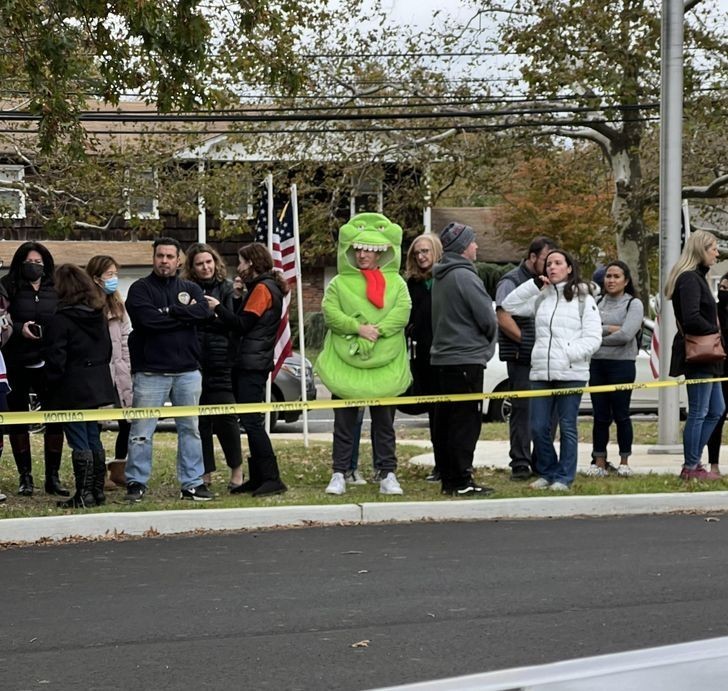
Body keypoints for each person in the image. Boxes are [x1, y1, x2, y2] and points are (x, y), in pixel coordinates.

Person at [316, 212, 411, 496]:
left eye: (368, 250)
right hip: (346, 364)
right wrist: (357, 327)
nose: (362, 255)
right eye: (358, 249)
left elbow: (402, 311)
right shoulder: (339, 283)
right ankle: (339, 473)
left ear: (380, 253)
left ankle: (387, 473)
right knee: (344, 423)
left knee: (384, 423)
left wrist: (376, 331)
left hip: (385, 365)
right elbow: (330, 312)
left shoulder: (396, 284)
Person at [503, 249, 602, 491]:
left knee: (567, 426)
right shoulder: (541, 297)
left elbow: (593, 338)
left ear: (569, 268)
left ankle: (564, 477)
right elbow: (508, 305)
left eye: (558, 263)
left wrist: (568, 353)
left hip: (571, 373)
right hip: (540, 373)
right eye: (548, 264)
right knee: (538, 426)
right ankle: (547, 472)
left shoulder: (584, 300)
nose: (552, 267)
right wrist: (533, 285)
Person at [124, 237, 214, 502]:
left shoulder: (190, 287)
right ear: (154, 258)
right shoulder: (140, 289)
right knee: (142, 431)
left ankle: (193, 484)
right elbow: (147, 322)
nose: (164, 261)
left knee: (191, 430)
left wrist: (171, 312)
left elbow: (205, 314)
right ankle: (136, 482)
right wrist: (182, 317)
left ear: (179, 261)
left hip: (187, 371)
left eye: (169, 257)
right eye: (159, 256)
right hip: (151, 372)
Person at [206, 242, 288, 497]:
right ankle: (258, 477)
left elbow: (242, 325)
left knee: (252, 421)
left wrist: (217, 307)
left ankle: (272, 478)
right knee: (250, 420)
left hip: (252, 364)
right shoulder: (260, 287)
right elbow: (243, 323)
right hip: (250, 361)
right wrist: (238, 297)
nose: (238, 267)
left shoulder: (264, 288)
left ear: (251, 263)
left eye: (241, 261)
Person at [430, 222, 497, 496]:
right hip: (465, 359)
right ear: (462, 247)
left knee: (446, 422)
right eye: (473, 242)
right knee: (465, 423)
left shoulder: (440, 277)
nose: (476, 246)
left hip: (443, 360)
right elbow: (487, 317)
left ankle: (449, 478)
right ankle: (461, 481)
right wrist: (485, 346)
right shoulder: (465, 276)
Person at [44, 264, 116, 508]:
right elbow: (108, 350)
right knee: (93, 435)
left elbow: (56, 359)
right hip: (97, 382)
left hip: (71, 386)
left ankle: (83, 494)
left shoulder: (60, 320)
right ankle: (96, 491)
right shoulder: (98, 314)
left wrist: (50, 384)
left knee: (78, 439)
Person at [0, 241, 68, 497]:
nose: (34, 266)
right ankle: (25, 477)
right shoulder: (9, 286)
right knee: (18, 419)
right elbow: (2, 318)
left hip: (49, 360)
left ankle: (53, 476)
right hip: (17, 360)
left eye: (39, 263)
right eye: (30, 262)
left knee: (55, 419)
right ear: (20, 262)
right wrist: (19, 328)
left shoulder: (56, 287)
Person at [495, 236, 557, 480]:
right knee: (523, 410)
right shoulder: (511, 281)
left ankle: (542, 461)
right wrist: (528, 342)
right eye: (546, 259)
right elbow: (503, 315)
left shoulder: (552, 282)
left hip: (546, 358)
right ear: (532, 258)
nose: (551, 265)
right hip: (522, 357)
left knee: (548, 409)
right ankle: (520, 463)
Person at [183, 243, 244, 490]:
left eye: (208, 262)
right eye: (199, 263)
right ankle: (205, 473)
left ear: (216, 262)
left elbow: (233, 323)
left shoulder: (228, 289)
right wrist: (209, 316)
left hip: (223, 362)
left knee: (226, 420)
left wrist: (210, 315)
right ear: (192, 267)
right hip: (195, 361)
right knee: (201, 423)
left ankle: (237, 470)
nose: (205, 267)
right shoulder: (187, 290)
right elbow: (187, 319)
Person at [665, 230, 725, 481]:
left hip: (709, 356)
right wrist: (715, 332)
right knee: (699, 411)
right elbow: (691, 318)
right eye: (713, 248)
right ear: (701, 249)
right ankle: (691, 466)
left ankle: (694, 463)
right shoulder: (689, 279)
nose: (717, 253)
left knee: (716, 409)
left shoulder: (697, 277)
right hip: (699, 352)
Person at [587, 261, 644, 477]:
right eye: (608, 276)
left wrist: (597, 337)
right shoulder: (596, 302)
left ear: (626, 280)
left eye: (616, 276)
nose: (611, 280)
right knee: (600, 415)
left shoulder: (634, 304)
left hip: (622, 365)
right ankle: (599, 461)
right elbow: (587, 329)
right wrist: (609, 330)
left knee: (621, 414)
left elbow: (626, 335)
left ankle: (624, 461)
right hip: (598, 365)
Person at [86, 254, 132, 489]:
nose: (114, 279)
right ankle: (98, 471)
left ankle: (119, 468)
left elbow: (125, 337)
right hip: (97, 370)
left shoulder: (118, 304)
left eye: (116, 274)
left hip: (119, 370)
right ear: (95, 278)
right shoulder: (87, 305)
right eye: (109, 275)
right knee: (95, 423)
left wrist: (126, 364)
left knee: (127, 421)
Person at [403, 232, 443, 481]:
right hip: (422, 356)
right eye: (417, 252)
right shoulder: (412, 284)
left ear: (436, 251)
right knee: (433, 414)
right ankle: (439, 465)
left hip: (446, 354)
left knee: (447, 413)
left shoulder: (446, 280)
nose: (421, 256)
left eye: (425, 251)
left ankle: (453, 463)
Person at [707, 271, 728, 476]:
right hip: (720, 371)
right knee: (717, 417)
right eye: (722, 288)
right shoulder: (714, 311)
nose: (724, 293)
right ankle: (713, 464)